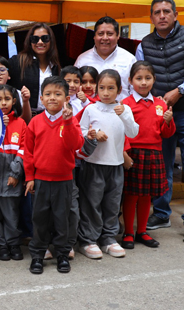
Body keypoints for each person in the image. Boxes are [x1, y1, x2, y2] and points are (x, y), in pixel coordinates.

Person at [135, 0, 184, 244]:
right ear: (151, 17)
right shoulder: (143, 45)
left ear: (176, 15)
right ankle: (161, 213)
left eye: (167, 11)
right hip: (159, 112)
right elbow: (141, 78)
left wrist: (180, 90)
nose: (162, 16)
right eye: (157, 12)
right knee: (162, 165)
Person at [24, 76, 84, 274]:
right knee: (40, 219)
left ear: (66, 98)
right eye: (48, 94)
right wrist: (30, 177)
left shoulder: (70, 120)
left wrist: (67, 123)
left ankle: (62, 255)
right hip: (41, 180)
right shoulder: (35, 122)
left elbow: (75, 145)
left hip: (64, 181)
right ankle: (38, 255)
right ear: (41, 98)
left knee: (62, 220)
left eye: (58, 94)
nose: (52, 98)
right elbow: (28, 152)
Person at [77, 70, 139, 259]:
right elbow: (80, 131)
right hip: (94, 164)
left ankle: (109, 238)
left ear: (119, 90)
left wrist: (125, 116)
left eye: (110, 88)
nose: (105, 92)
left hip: (116, 165)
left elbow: (134, 132)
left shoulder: (124, 109)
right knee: (91, 203)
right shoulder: (91, 109)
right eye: (102, 88)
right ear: (96, 89)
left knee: (112, 203)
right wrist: (94, 132)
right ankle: (89, 239)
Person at [121, 62, 176, 249]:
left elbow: (166, 133)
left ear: (154, 80)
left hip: (154, 153)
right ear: (130, 81)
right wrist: (125, 154)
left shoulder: (161, 104)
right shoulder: (125, 104)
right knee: (131, 195)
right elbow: (121, 132)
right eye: (138, 78)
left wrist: (168, 122)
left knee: (146, 196)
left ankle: (142, 231)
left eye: (147, 78)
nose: (143, 82)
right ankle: (128, 232)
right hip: (133, 153)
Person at [0, 84, 27, 261]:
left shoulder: (21, 123)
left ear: (14, 101)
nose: (3, 103)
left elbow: (24, 149)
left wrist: (16, 173)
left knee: (11, 214)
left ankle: (13, 244)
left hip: (12, 178)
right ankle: (0, 245)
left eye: (7, 99)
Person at [75, 17, 136, 101]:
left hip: (120, 110)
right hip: (88, 111)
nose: (105, 38)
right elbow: (74, 87)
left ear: (118, 36)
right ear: (94, 36)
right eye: (100, 33)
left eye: (110, 34)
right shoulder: (82, 60)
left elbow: (135, 90)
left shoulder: (129, 59)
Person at [8, 23, 61, 114]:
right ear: (30, 42)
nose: (40, 42)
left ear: (51, 41)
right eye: (35, 39)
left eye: (45, 38)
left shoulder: (55, 66)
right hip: (23, 116)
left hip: (49, 116)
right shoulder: (17, 61)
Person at [0, 55, 32, 123]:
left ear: (9, 75)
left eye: (2, 70)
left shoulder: (18, 93)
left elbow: (26, 121)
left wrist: (25, 101)